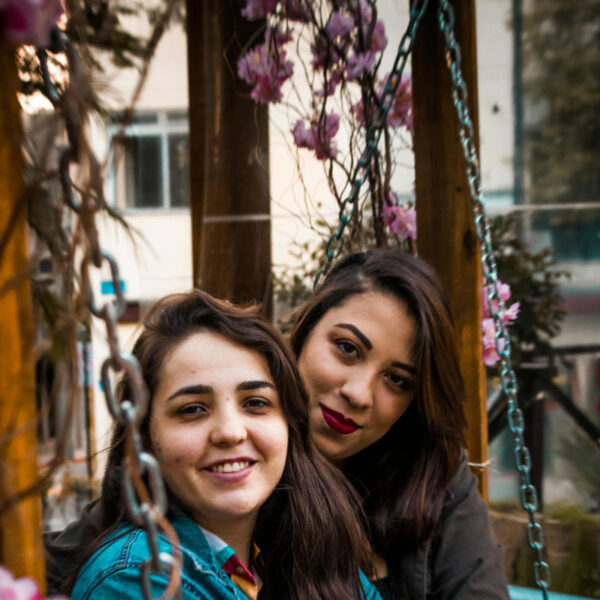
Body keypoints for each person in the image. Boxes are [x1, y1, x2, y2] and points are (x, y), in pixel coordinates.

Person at [66, 290, 380, 600]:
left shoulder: (310, 554)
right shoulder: (138, 578)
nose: (230, 432)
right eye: (192, 409)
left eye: (256, 403)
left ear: (289, 426)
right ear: (145, 440)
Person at [289, 249, 510, 600]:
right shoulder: (240, 464)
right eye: (347, 348)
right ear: (305, 333)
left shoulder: (436, 483)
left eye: (396, 380)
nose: (359, 395)